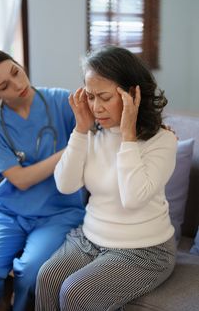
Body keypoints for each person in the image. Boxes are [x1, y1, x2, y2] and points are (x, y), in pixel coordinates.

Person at [35, 45, 178, 311]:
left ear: (133, 95)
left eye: (104, 97)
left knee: (76, 293)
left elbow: (133, 198)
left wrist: (128, 136)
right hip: (88, 239)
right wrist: (80, 130)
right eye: (90, 97)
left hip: (145, 250)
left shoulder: (163, 141)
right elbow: (65, 185)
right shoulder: (91, 135)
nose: (96, 107)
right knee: (47, 277)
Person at [0, 49, 86, 311]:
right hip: (10, 213)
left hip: (60, 211)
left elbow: (101, 126)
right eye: (4, 86)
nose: (18, 84)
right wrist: (70, 149)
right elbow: (20, 180)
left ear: (20, 65)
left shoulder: (61, 101)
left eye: (16, 72)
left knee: (33, 274)